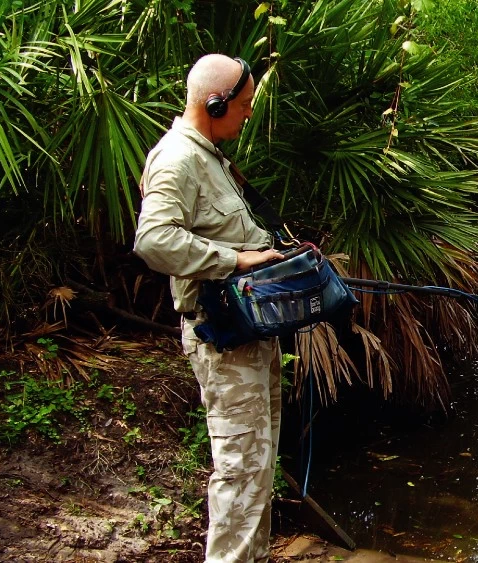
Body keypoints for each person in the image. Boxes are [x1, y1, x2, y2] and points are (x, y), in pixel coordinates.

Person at [134, 54, 285, 563]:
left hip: (251, 331)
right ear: (214, 103)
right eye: (241, 106)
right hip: (222, 338)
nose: (246, 116)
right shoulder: (178, 158)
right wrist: (236, 259)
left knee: (258, 466)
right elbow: (154, 240)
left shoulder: (211, 156)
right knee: (240, 469)